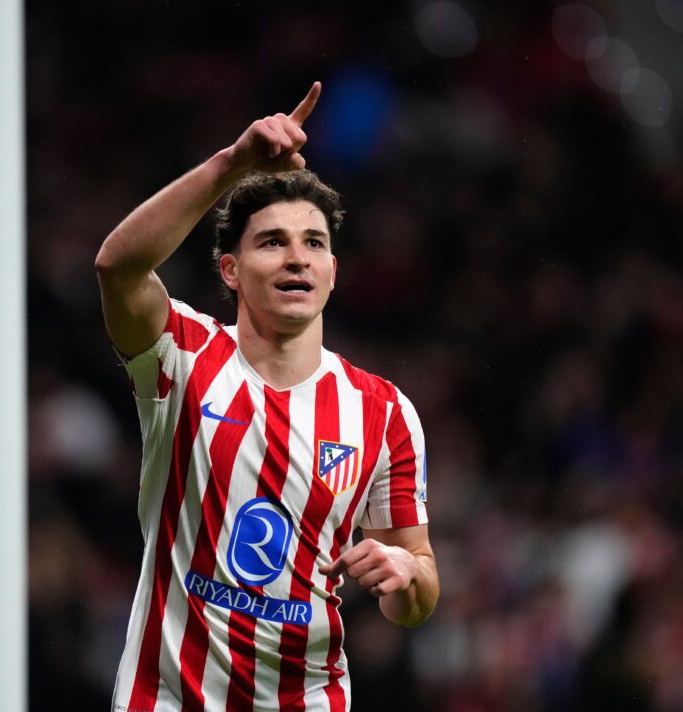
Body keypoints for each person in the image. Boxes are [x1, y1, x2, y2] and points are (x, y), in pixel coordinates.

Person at [95, 82, 439, 712]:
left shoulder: (383, 411)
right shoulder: (184, 355)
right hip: (166, 697)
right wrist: (232, 164)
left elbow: (416, 588)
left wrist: (406, 576)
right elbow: (117, 267)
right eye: (272, 241)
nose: (297, 259)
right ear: (230, 270)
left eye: (314, 243)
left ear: (334, 270)